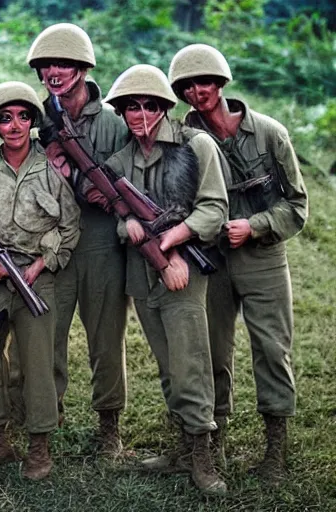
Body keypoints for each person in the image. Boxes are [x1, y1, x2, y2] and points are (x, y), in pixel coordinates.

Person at [168, 44, 308, 483]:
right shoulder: (183, 139)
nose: (197, 91)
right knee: (210, 351)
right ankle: (212, 444)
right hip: (210, 260)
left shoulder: (268, 133)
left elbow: (298, 206)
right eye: (187, 86)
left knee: (271, 348)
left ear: (222, 83)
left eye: (205, 81)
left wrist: (256, 225)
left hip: (262, 256)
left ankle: (275, 450)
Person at [104, 64, 228, 494]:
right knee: (165, 362)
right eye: (131, 106)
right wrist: (128, 228)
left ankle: (203, 455)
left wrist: (170, 244)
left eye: (150, 105)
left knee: (190, 361)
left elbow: (213, 209)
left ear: (165, 107)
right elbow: (117, 214)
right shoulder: (121, 159)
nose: (140, 114)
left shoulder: (197, 146)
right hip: (143, 274)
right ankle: (179, 446)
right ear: (120, 111)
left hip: (184, 270)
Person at [0, 81, 80, 480]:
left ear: (32, 122)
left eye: (23, 117)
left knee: (38, 363)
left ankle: (39, 448)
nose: (14, 125)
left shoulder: (50, 170)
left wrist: (42, 264)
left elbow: (70, 227)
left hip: (35, 277)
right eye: (5, 118)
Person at [27, 23, 129, 454]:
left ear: (84, 68)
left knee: (106, 337)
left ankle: (109, 426)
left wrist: (98, 185)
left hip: (102, 240)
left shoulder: (114, 123)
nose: (55, 71)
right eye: (47, 64)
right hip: (52, 240)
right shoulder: (34, 118)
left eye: (65, 63)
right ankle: (48, 422)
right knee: (47, 334)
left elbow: (134, 179)